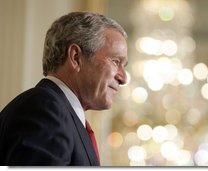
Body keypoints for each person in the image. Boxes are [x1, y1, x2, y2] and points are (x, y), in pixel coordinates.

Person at [0, 11, 128, 166]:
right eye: (115, 61)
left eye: (124, 66)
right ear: (75, 58)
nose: (123, 78)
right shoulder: (45, 110)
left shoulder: (60, 111)